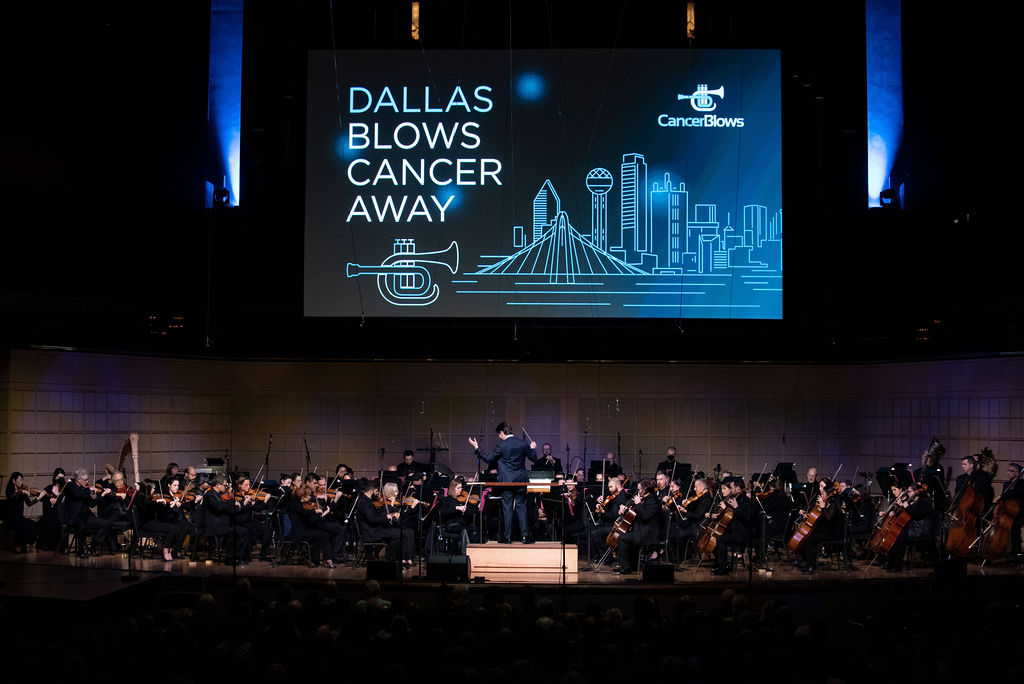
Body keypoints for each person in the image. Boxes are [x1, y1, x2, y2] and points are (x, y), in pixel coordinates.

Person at [469, 422, 538, 543]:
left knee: (507, 508)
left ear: (502, 432)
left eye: (499, 434)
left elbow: (488, 458)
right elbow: (533, 458)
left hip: (507, 481)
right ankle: (525, 536)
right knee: (521, 508)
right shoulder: (523, 443)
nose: (499, 436)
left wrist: (476, 448)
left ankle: (508, 537)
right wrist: (532, 448)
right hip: (521, 480)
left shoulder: (502, 445)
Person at [354, 481, 415, 566]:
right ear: (371, 491)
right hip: (371, 533)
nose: (378, 493)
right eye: (376, 491)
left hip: (376, 529)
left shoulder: (367, 501)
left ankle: (404, 558)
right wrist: (387, 517)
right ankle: (397, 559)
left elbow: (376, 516)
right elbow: (372, 519)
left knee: (405, 532)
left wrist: (388, 514)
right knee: (403, 533)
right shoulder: (364, 502)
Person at [62, 468, 116, 556]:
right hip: (74, 517)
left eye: (87, 479)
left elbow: (92, 504)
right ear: (78, 479)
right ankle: (81, 551)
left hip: (86, 517)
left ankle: (93, 545)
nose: (87, 482)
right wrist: (90, 489)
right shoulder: (70, 486)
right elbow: (77, 493)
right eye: (85, 480)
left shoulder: (84, 489)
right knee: (81, 525)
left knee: (107, 523)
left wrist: (102, 495)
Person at [885, 482, 936, 572]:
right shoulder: (911, 501)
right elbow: (905, 514)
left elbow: (917, 515)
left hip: (921, 529)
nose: (908, 494)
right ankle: (890, 563)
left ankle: (897, 565)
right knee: (893, 534)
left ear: (917, 491)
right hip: (913, 528)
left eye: (910, 491)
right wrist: (895, 512)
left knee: (899, 536)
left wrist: (907, 507)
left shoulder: (923, 502)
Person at [612, 480, 660, 574]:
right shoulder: (644, 498)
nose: (637, 491)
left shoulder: (653, 501)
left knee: (621, 538)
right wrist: (625, 509)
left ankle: (625, 567)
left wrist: (638, 504)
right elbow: (635, 512)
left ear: (645, 489)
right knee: (624, 536)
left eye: (639, 489)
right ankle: (630, 565)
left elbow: (645, 516)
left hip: (648, 534)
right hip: (640, 531)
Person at [201, 475, 251, 565]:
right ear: (218, 485)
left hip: (222, 523)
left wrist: (239, 504)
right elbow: (218, 507)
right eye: (225, 485)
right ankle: (231, 558)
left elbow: (228, 509)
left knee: (244, 531)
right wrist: (232, 503)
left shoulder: (221, 495)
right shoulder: (209, 495)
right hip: (214, 525)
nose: (226, 487)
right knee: (235, 532)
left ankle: (238, 557)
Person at [709, 477, 752, 576]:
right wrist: (717, 515)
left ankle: (722, 568)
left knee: (721, 539)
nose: (731, 490)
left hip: (741, 532)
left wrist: (736, 507)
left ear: (738, 488)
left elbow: (747, 519)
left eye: (732, 488)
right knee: (714, 536)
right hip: (732, 529)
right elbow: (728, 516)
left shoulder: (746, 501)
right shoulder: (733, 498)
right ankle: (719, 564)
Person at [589, 476, 629, 561]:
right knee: (590, 529)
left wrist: (603, 512)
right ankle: (598, 555)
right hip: (609, 522)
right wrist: (600, 504)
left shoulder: (622, 497)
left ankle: (607, 557)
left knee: (595, 533)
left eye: (611, 487)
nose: (609, 489)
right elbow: (609, 509)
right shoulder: (614, 496)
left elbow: (616, 516)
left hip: (615, 526)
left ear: (617, 486)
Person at [4, 472, 42, 552]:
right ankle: (18, 545)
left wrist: (37, 499)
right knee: (22, 524)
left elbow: (29, 503)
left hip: (20, 518)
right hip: (11, 518)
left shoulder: (23, 491)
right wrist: (21, 492)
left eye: (22, 480)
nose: (22, 482)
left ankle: (27, 544)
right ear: (14, 480)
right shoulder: (9, 490)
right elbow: (12, 498)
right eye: (20, 480)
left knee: (31, 523)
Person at [439, 479, 480, 544]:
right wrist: (456, 508)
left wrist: (477, 507)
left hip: (462, 523)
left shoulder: (462, 500)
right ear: (453, 489)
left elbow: (469, 512)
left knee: (474, 529)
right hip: (451, 525)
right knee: (465, 530)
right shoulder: (448, 499)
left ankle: (475, 548)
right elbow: (443, 511)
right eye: (458, 488)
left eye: (461, 488)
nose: (460, 490)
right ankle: (466, 549)